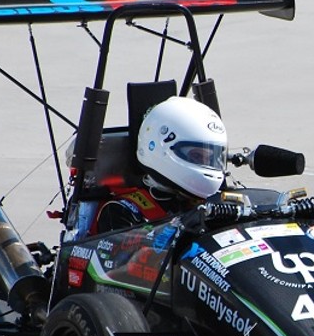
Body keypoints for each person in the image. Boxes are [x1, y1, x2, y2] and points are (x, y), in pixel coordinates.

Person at [95, 95, 228, 233]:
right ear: (161, 148)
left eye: (210, 158)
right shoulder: (122, 211)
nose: (206, 164)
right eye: (197, 156)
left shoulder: (214, 203)